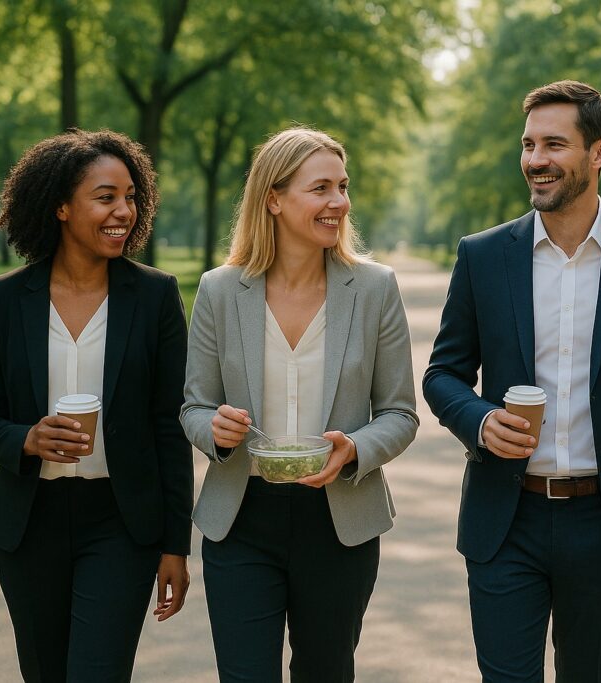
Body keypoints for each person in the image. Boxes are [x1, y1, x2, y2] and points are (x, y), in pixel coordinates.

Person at [423, 80, 601, 682]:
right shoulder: (483, 256)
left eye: (554, 144)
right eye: (528, 145)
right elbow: (444, 373)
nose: (535, 160)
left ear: (599, 153)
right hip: (503, 516)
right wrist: (481, 421)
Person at [180, 126, 418, 682]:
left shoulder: (375, 288)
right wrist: (214, 428)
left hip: (339, 522)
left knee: (326, 672)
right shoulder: (219, 290)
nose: (339, 202)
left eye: (343, 185)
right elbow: (193, 405)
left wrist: (354, 448)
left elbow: (400, 414)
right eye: (321, 189)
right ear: (274, 199)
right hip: (241, 518)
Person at [0, 129, 194, 682]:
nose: (124, 211)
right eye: (106, 196)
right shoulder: (5, 300)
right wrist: (25, 438)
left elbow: (171, 426)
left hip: (120, 523)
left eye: (132, 197)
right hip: (29, 525)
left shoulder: (156, 297)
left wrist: (174, 546)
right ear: (62, 207)